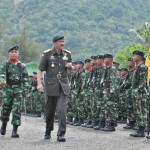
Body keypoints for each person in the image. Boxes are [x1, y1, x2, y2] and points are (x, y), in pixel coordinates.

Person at [37, 35, 73, 142]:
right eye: (60, 41)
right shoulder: (47, 54)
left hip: (63, 84)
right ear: (54, 43)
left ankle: (61, 134)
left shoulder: (67, 54)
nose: (62, 43)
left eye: (63, 41)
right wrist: (39, 83)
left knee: (62, 110)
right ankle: (48, 131)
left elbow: (70, 71)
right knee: (50, 111)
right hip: (51, 85)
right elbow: (40, 70)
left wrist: (70, 67)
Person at [0, 45, 29, 138]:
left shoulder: (22, 65)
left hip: (18, 90)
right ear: (9, 53)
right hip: (7, 89)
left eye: (16, 52)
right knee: (6, 108)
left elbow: (25, 78)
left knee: (17, 109)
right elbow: (2, 74)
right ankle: (4, 125)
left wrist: (26, 88)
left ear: (18, 54)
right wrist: (2, 81)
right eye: (12, 52)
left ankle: (14, 131)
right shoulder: (5, 64)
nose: (14, 54)